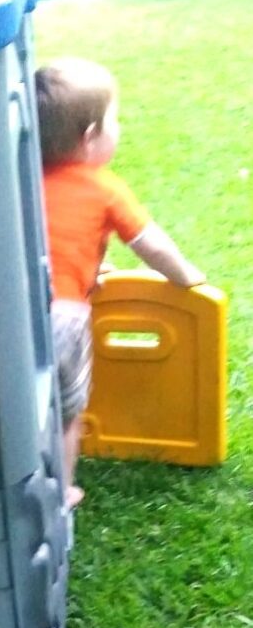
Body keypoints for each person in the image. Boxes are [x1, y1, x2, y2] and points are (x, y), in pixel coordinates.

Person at [34, 57, 205, 509]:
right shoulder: (103, 187)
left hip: (14, 309)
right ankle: (63, 489)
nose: (119, 127)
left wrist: (93, 268)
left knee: (24, 404)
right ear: (90, 138)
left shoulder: (22, 184)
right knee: (66, 413)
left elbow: (60, 237)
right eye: (116, 119)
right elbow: (151, 245)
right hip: (64, 316)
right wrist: (185, 277)